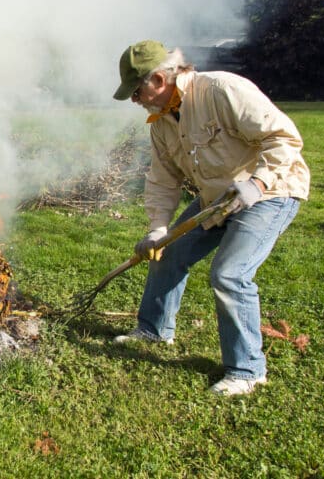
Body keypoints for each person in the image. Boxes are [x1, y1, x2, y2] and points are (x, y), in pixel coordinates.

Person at [112, 40, 310, 396]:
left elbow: (284, 138)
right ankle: (155, 330)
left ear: (158, 79)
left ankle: (247, 370)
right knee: (169, 251)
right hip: (217, 199)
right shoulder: (161, 124)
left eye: (137, 91)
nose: (134, 100)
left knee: (229, 274)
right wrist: (158, 229)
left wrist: (258, 182)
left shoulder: (221, 90)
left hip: (272, 192)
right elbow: (162, 180)